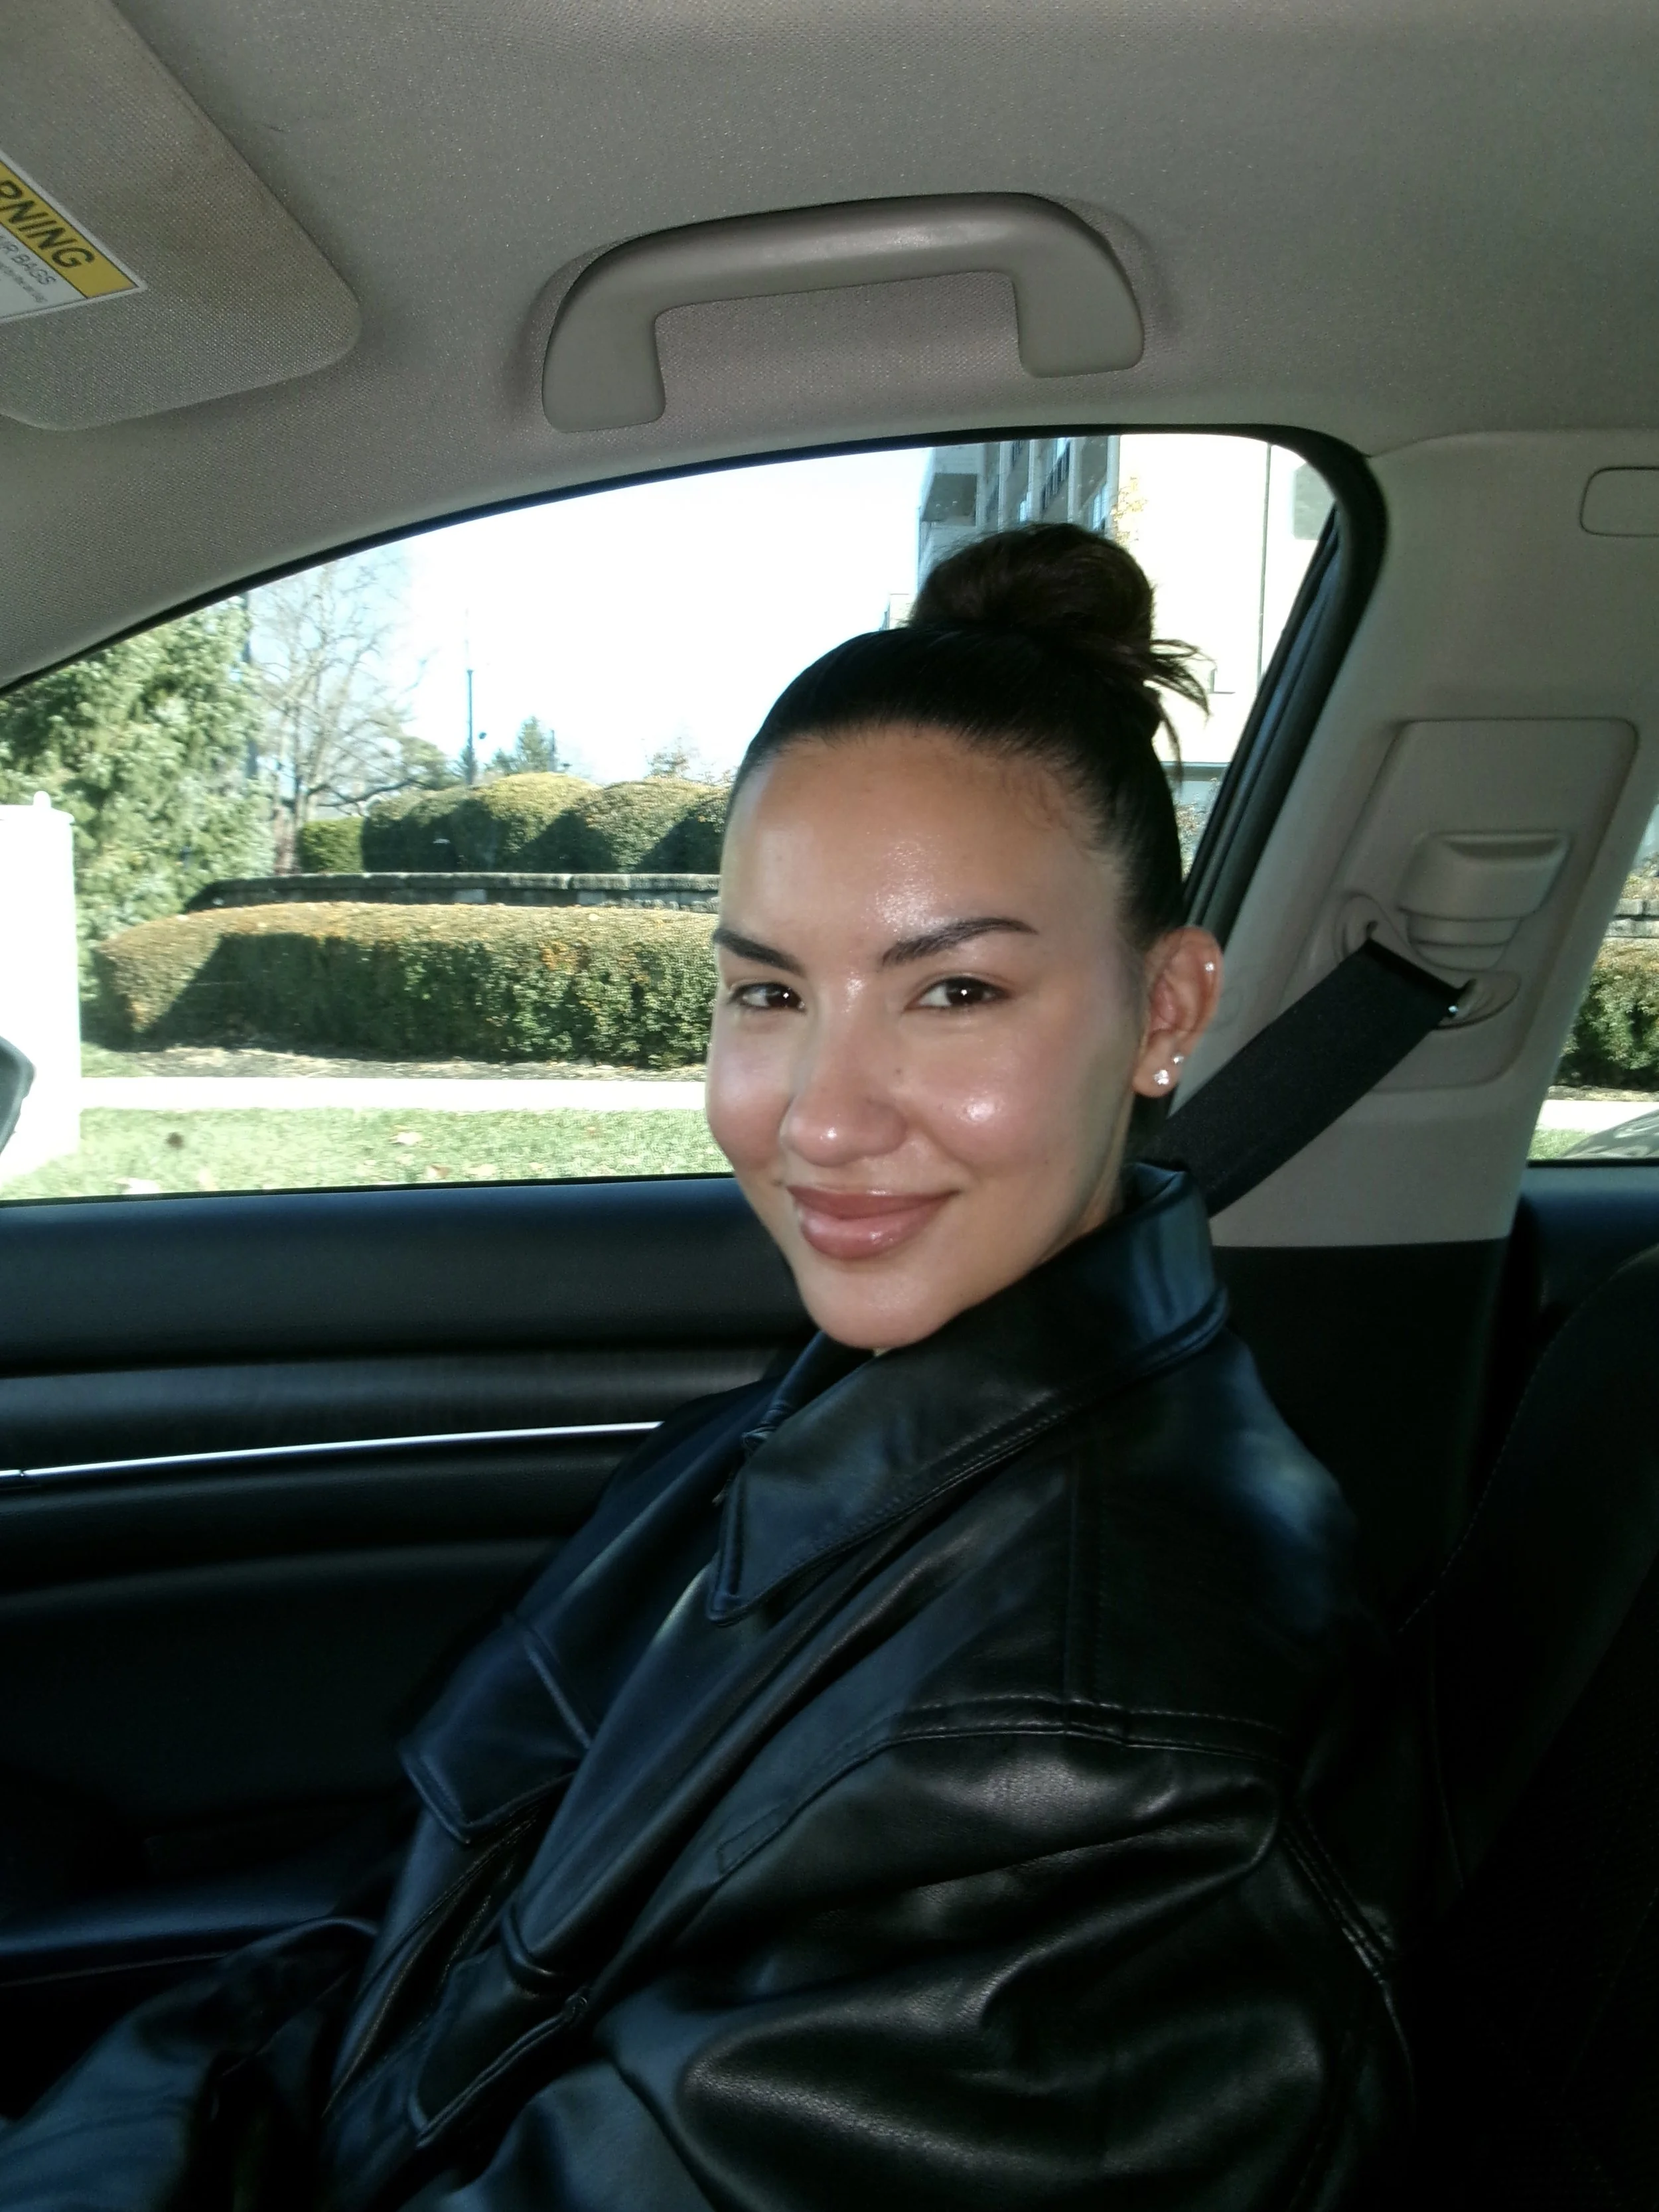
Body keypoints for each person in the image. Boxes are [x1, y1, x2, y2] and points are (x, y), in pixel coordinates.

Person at [0, 525, 1422, 2210]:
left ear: (1166, 1009)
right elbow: (421, 1956)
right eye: (765, 992)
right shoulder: (849, 1426)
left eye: (953, 990)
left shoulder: (1098, 1759)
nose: (818, 1116)